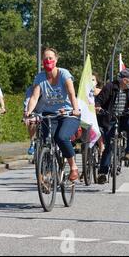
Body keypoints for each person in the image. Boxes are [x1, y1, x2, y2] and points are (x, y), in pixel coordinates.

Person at [25, 48, 81, 182]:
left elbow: (72, 94)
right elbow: (34, 97)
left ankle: (74, 167)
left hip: (68, 113)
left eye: (50, 58)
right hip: (49, 115)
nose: (48, 61)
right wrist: (28, 112)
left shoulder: (64, 74)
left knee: (61, 137)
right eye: (45, 59)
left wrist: (76, 109)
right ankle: (48, 173)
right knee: (46, 142)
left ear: (56, 60)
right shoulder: (39, 77)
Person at [95, 68, 129, 184]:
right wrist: (98, 106)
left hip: (124, 117)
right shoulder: (110, 87)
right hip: (110, 118)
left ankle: (128, 152)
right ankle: (103, 173)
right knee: (109, 146)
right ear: (125, 80)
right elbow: (99, 99)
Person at [23, 85, 43, 156]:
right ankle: (32, 143)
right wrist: (26, 114)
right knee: (31, 123)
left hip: (46, 110)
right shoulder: (30, 89)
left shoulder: (48, 88)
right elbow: (27, 101)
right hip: (33, 110)